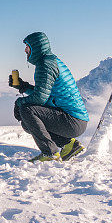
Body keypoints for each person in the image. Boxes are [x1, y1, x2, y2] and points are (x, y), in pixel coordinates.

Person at [9, 32, 89, 162]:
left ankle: (50, 154)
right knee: (27, 123)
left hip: (72, 121)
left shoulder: (46, 64)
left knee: (27, 110)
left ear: (36, 46)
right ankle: (70, 145)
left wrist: (19, 102)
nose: (25, 50)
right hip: (75, 120)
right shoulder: (49, 61)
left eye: (27, 46)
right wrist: (23, 87)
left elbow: (40, 99)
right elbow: (46, 94)